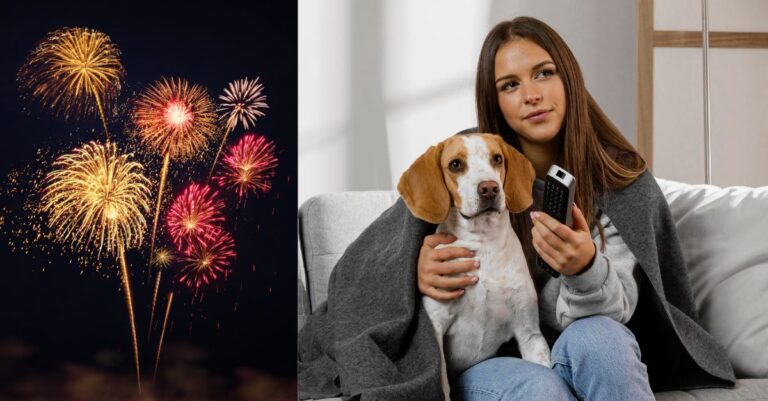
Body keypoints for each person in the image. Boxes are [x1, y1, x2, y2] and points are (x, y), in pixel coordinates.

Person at [298, 16, 733, 401]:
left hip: (583, 337)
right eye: (510, 84)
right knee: (536, 388)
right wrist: (411, 270)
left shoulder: (621, 182)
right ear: (497, 101)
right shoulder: (465, 159)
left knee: (603, 342)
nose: (531, 95)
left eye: (544, 73)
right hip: (494, 358)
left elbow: (622, 311)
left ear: (569, 79)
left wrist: (584, 270)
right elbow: (368, 263)